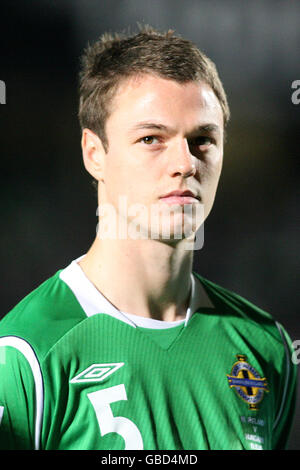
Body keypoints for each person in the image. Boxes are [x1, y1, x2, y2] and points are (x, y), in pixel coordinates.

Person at [0, 26, 297, 450]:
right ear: (94, 153)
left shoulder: (266, 348)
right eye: (151, 139)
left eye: (203, 140)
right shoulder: (25, 356)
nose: (185, 163)